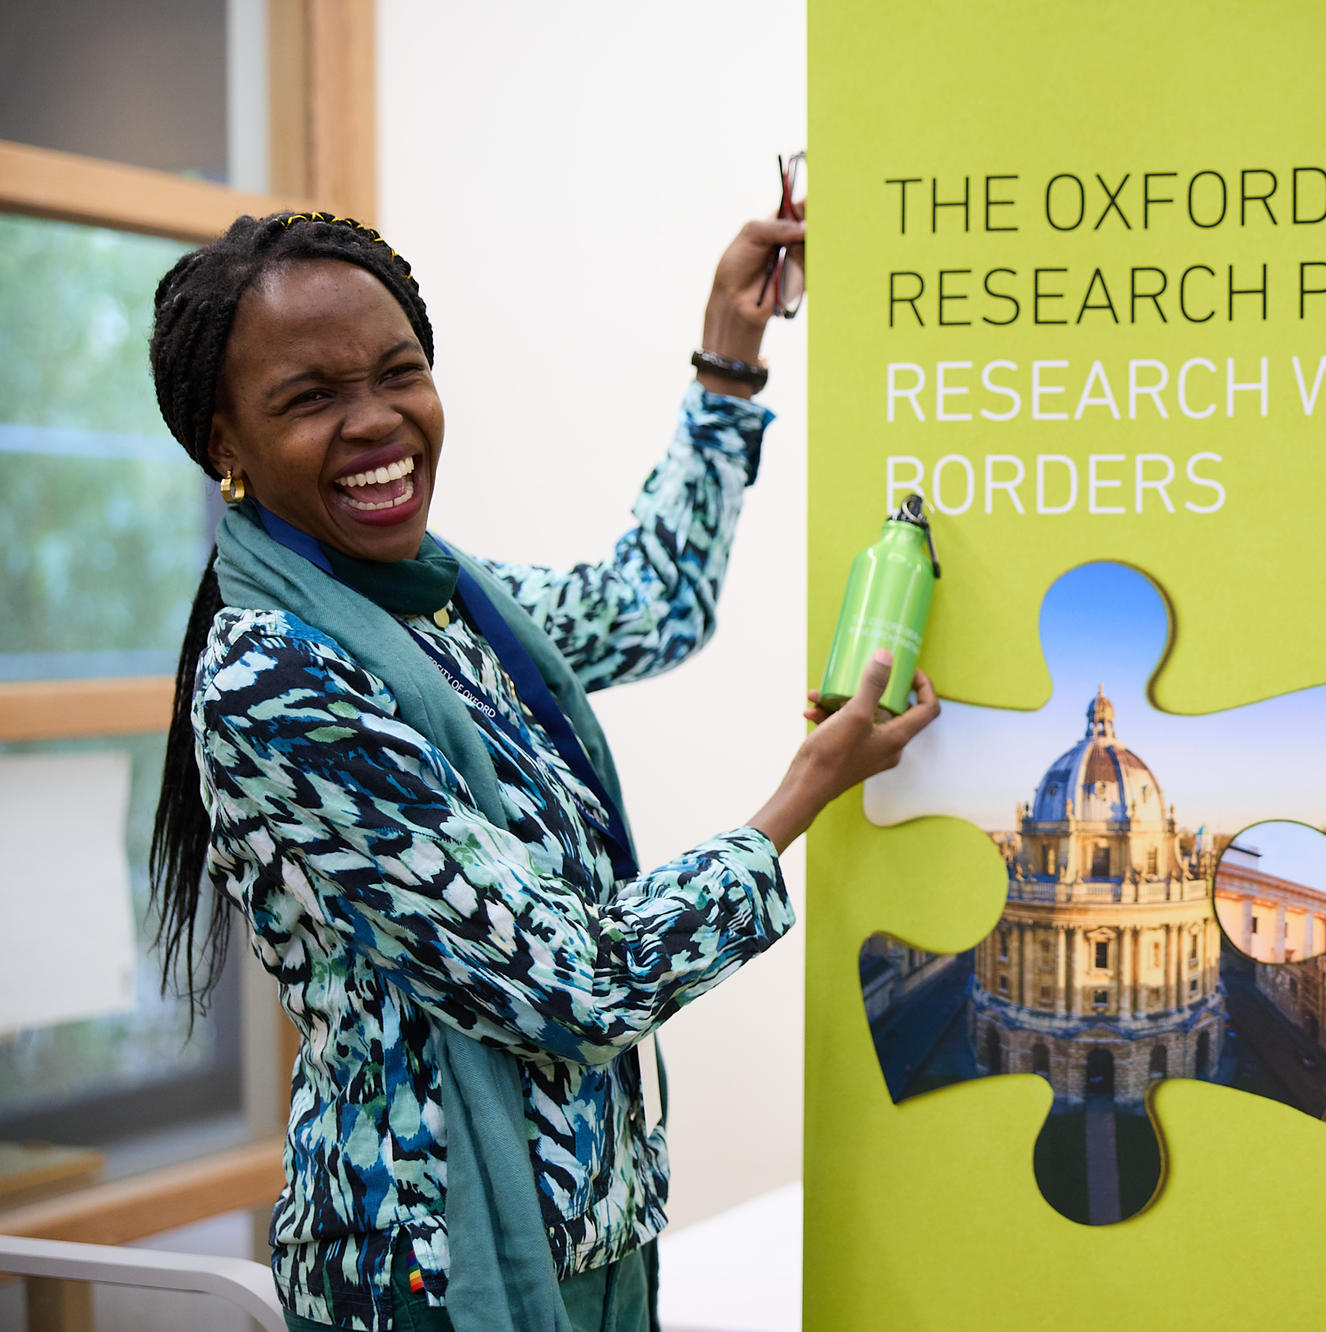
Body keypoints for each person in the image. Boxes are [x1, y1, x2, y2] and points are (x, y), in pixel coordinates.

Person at [143, 208, 936, 1332]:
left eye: (398, 373)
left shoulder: (448, 600)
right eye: (309, 398)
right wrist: (799, 795)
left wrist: (729, 355)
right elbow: (570, 986)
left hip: (589, 1231)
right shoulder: (277, 681)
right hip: (432, 1272)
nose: (376, 423)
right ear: (224, 444)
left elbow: (647, 604)